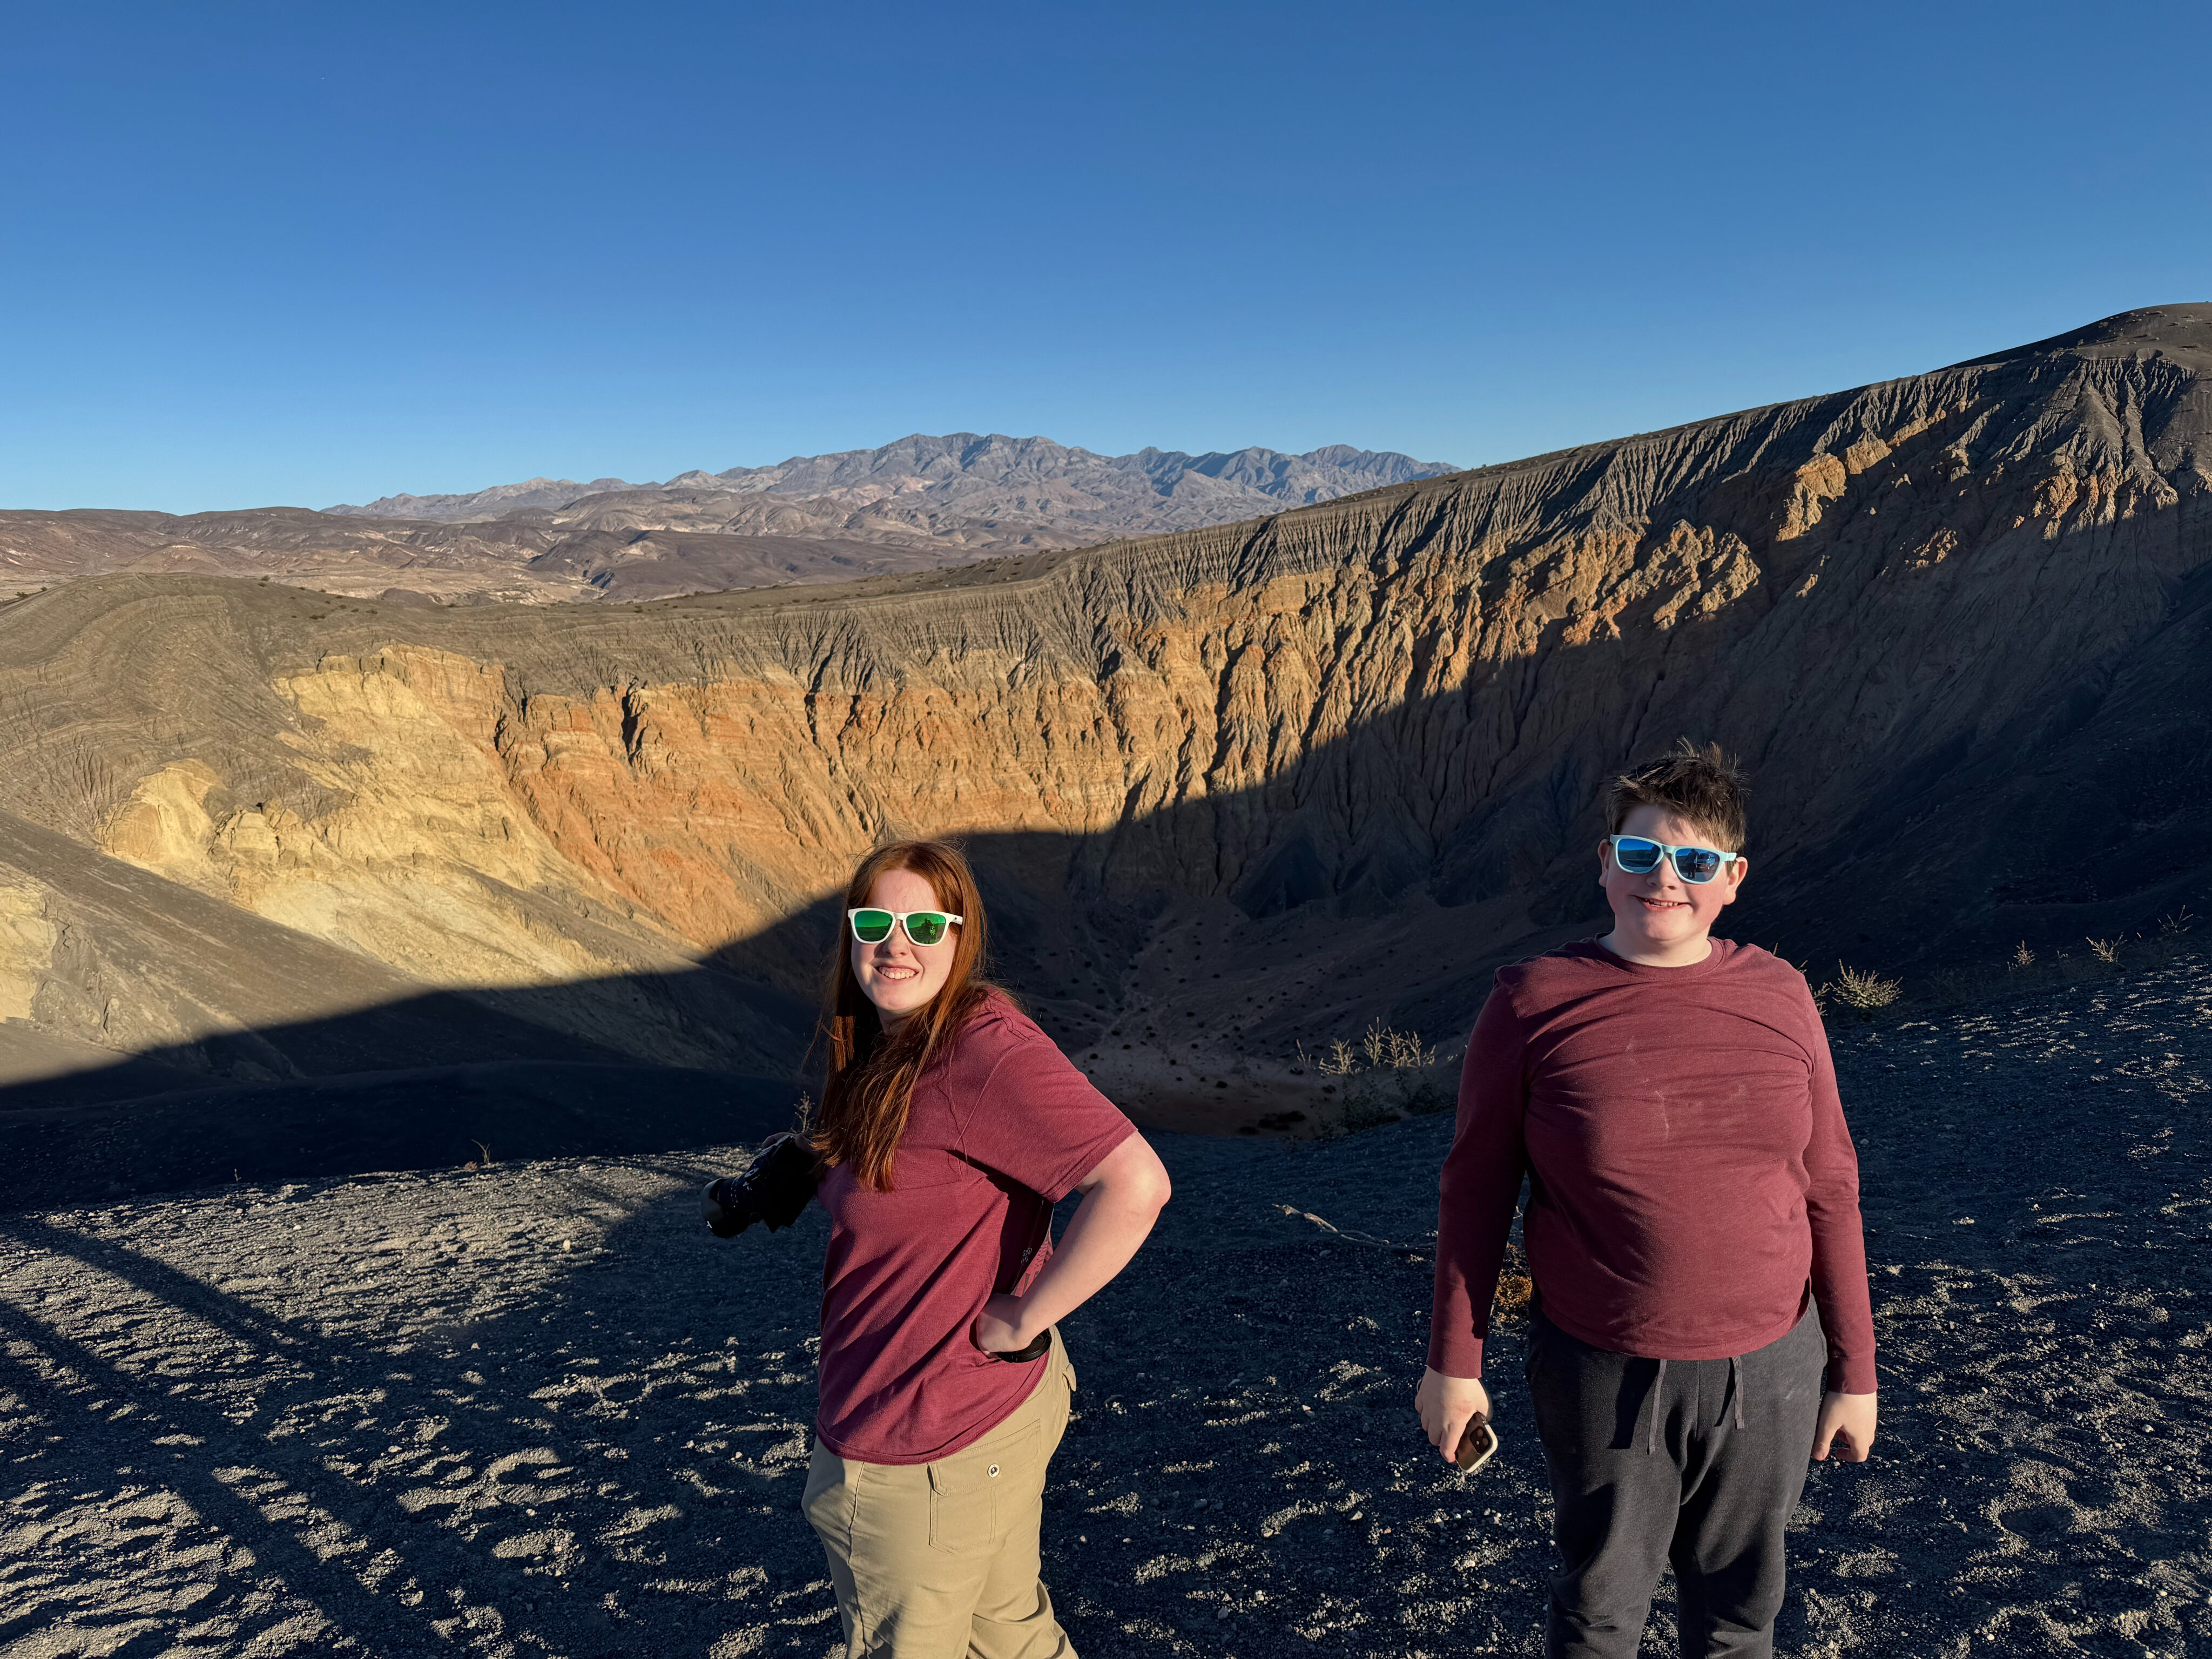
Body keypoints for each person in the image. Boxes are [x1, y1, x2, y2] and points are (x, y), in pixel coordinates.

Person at [1415, 742, 1878, 1658]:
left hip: (1775, 1368)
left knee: (1744, 1616)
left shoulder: (1783, 997)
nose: (1665, 879)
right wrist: (1452, 1363)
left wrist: (1853, 1370)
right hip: (1602, 1367)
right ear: (1605, 862)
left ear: (1732, 879)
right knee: (1600, 1613)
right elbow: (1475, 1194)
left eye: (1694, 861)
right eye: (1640, 855)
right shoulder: (1532, 1003)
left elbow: (1831, 1186)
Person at [798, 838, 1171, 1658]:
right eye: (874, 920)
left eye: (924, 924)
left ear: (960, 937)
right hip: (990, 1420)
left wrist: (1026, 1315)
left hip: (915, 1446)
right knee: (1013, 1637)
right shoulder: (897, 1046)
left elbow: (1137, 1183)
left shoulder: (980, 1050)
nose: (897, 943)